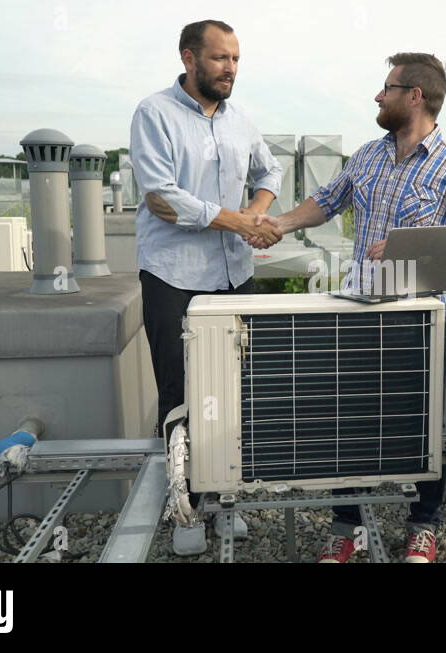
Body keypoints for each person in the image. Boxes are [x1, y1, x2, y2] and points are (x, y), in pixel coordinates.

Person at [250, 52, 446, 563]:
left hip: (420, 323)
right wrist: (277, 225)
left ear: (415, 96)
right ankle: (347, 526)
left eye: (387, 87)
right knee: (345, 421)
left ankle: (422, 525)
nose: (377, 96)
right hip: (358, 315)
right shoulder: (367, 155)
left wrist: (413, 248)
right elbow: (326, 201)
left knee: (419, 424)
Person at [131, 19, 283, 556]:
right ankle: (186, 509)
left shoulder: (242, 120)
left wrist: (256, 212)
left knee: (237, 393)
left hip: (234, 276)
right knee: (180, 395)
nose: (231, 69)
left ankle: (227, 499)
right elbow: (161, 199)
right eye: (220, 59)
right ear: (189, 58)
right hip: (174, 278)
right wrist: (238, 222)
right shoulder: (154, 114)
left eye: (237, 59)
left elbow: (270, 173)